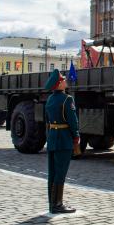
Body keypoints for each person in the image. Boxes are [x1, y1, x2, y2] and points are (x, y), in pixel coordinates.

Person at [44, 69, 80, 214]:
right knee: (61, 172)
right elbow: (72, 121)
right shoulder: (67, 99)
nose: (65, 81)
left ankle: (51, 203)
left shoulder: (50, 100)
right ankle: (57, 204)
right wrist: (76, 136)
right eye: (63, 80)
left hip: (52, 138)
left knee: (52, 172)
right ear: (59, 85)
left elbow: (47, 121)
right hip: (64, 140)